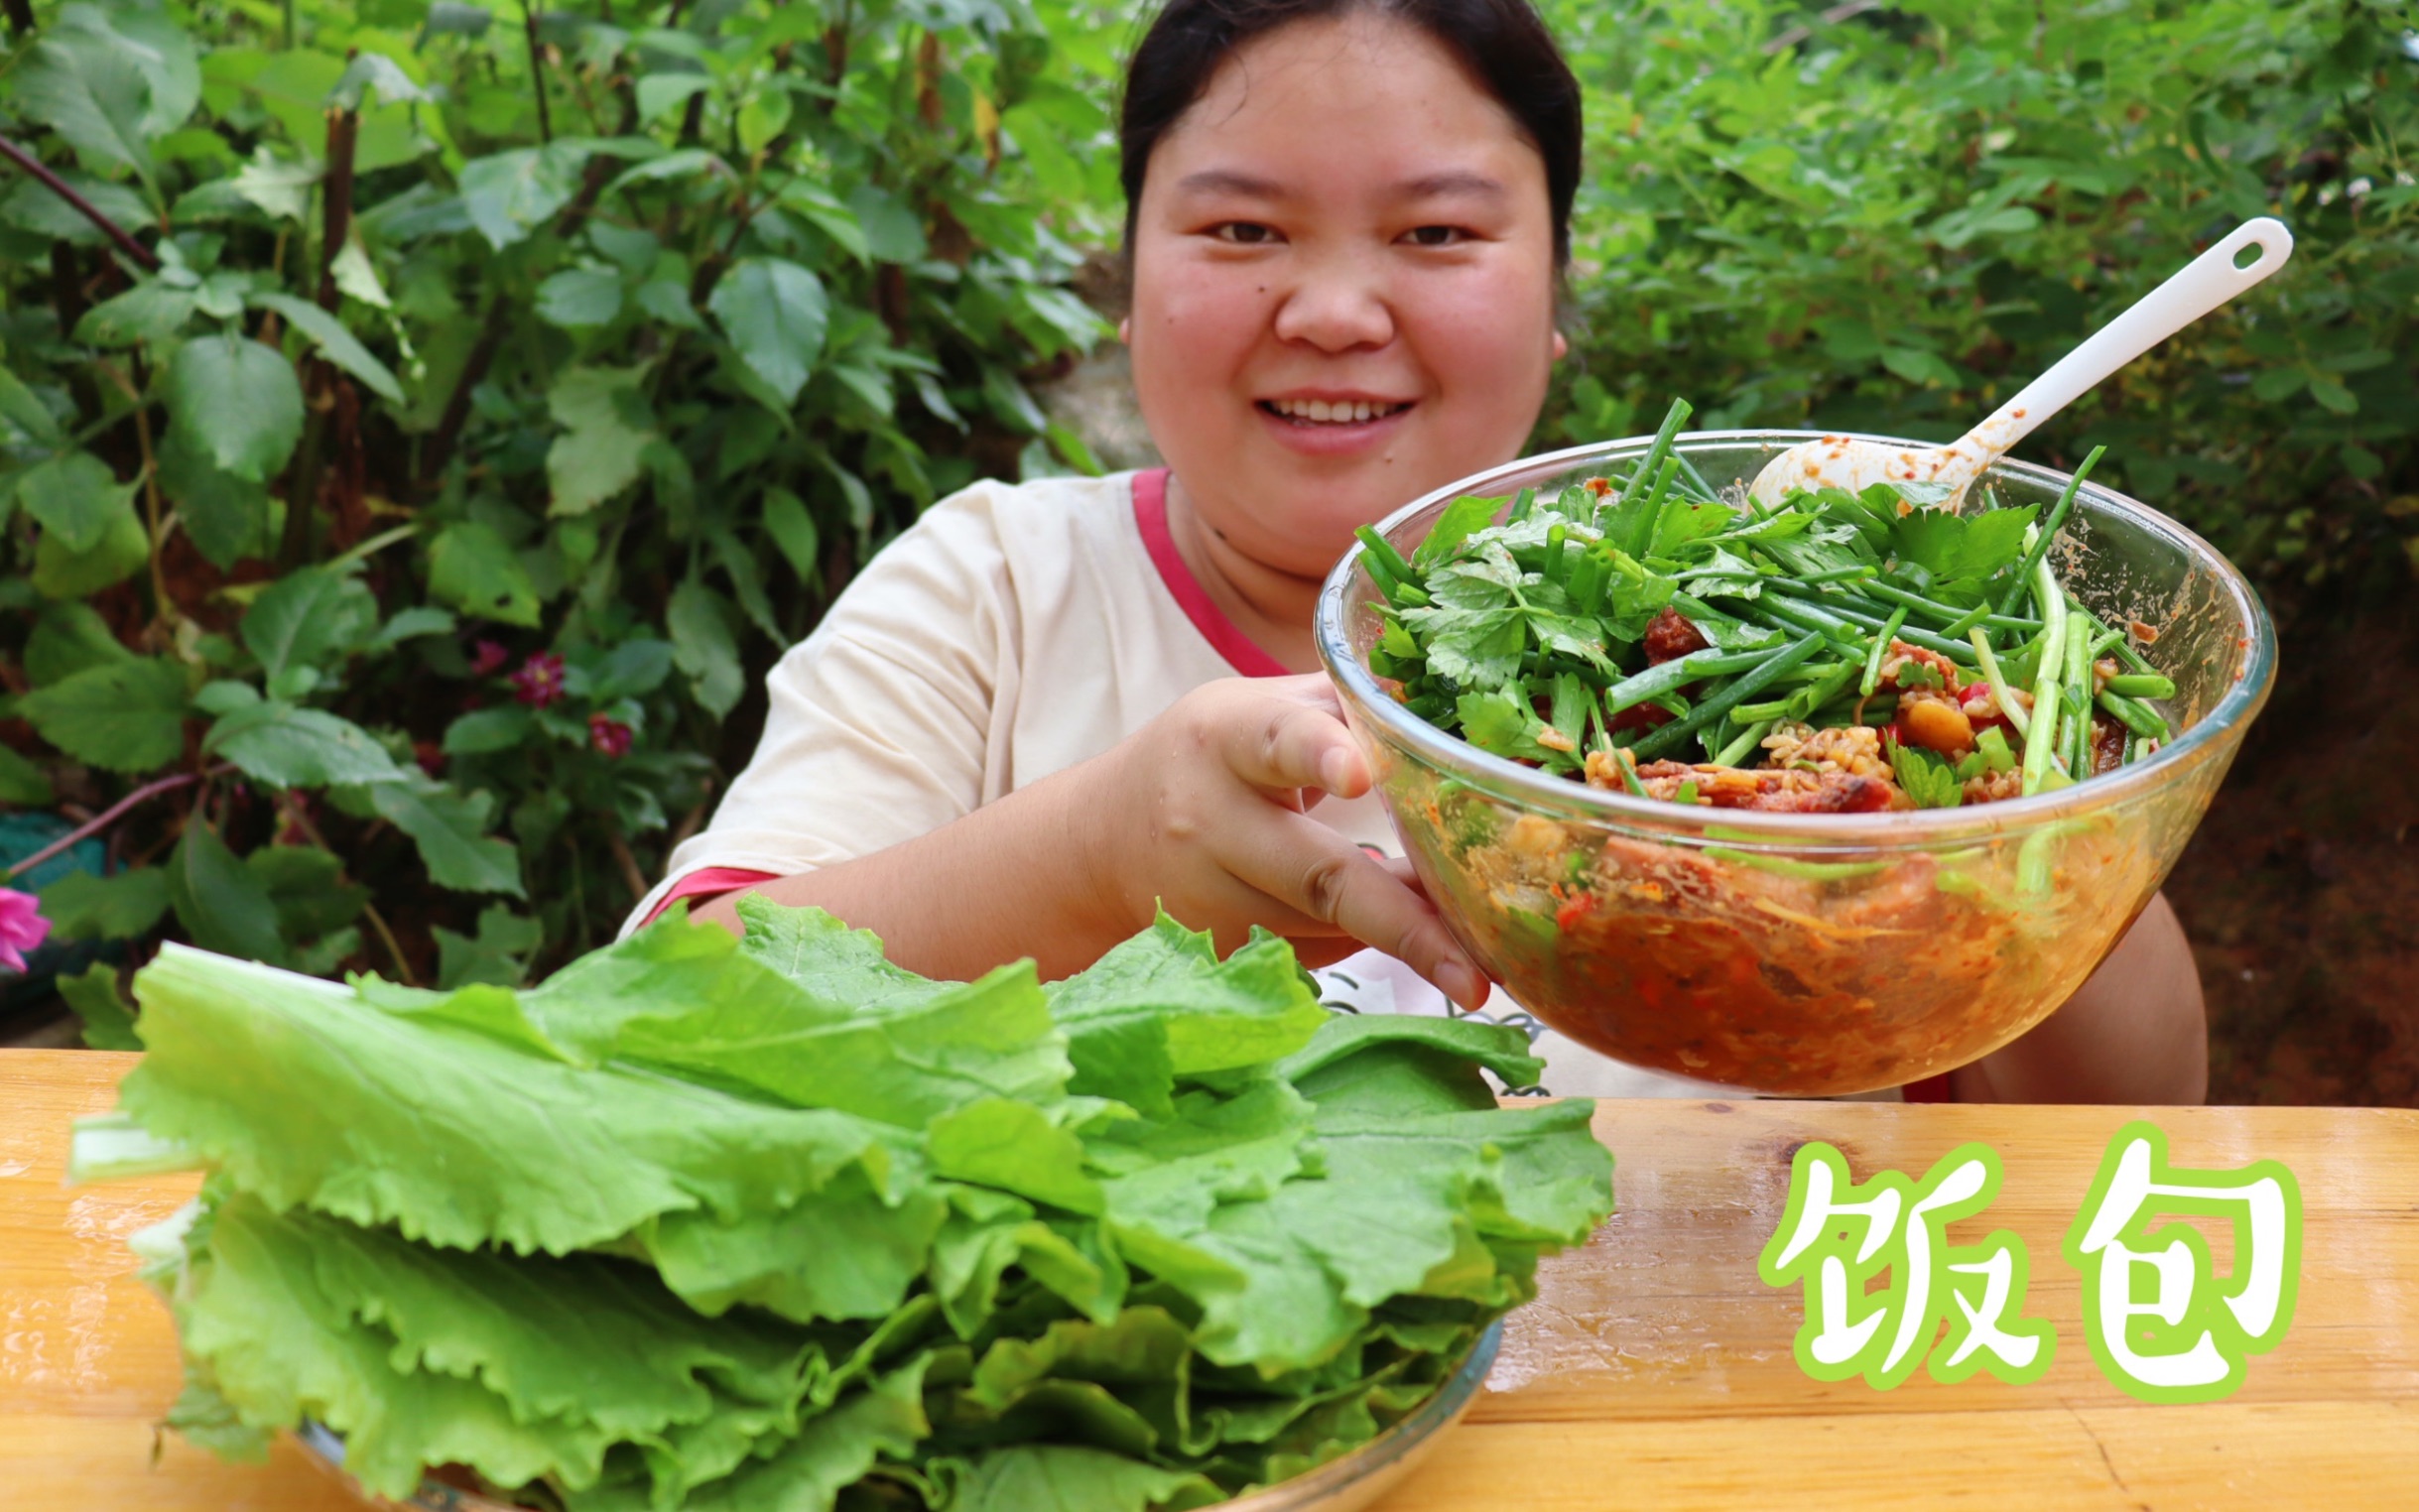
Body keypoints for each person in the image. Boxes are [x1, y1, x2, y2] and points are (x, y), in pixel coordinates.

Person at [628, 0, 2207, 1104]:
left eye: (1437, 233)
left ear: (1553, 292)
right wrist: (1097, 855)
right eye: (1241, 231)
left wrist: (2042, 803)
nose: (1329, 309)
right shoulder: (992, 587)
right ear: (1125, 286)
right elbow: (673, 1025)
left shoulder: (1783, 624)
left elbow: (2117, 1121)